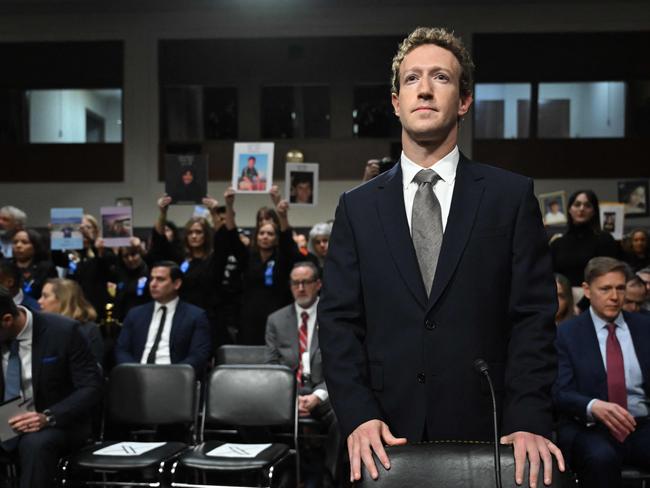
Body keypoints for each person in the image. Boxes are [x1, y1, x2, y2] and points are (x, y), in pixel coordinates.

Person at [318, 26, 563, 486]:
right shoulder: (357, 206)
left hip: (487, 433)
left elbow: (533, 316)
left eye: (441, 78)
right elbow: (338, 322)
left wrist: (528, 415)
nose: (425, 89)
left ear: (464, 101)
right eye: (411, 79)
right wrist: (357, 415)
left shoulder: (510, 196)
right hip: (382, 435)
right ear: (395, 102)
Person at [554, 257, 650, 488]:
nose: (615, 297)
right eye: (605, 289)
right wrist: (592, 406)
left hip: (641, 423)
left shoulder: (644, 327)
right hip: (590, 428)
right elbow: (559, 391)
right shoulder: (567, 334)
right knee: (600, 459)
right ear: (587, 290)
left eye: (620, 288)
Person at [0, 286, 103, 488]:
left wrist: (48, 417)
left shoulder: (63, 331)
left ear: (7, 320)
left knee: (35, 444)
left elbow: (91, 387)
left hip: (57, 421)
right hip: (6, 421)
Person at [217, 187, 303, 345]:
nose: (265, 237)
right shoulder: (247, 257)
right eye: (262, 233)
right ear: (256, 237)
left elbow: (286, 240)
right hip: (249, 319)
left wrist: (282, 215)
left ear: (276, 239)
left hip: (279, 317)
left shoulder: (282, 258)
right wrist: (229, 205)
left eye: (270, 234)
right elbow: (231, 234)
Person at [114, 261, 211, 372]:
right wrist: (135, 372)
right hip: (137, 377)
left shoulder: (195, 316)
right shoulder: (135, 314)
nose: (153, 284)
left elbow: (198, 355)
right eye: (152, 279)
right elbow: (121, 350)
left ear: (177, 284)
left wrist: (174, 374)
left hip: (175, 378)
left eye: (160, 279)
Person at [550, 190, 620, 287]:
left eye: (587, 205)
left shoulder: (604, 240)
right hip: (564, 297)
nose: (581, 209)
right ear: (569, 209)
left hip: (596, 296)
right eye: (577, 204)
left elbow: (610, 275)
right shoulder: (557, 243)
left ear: (594, 211)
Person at [38, 278, 104, 365]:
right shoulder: (40, 328)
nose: (39, 301)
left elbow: (92, 371)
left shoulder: (89, 330)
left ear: (63, 300)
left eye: (45, 296)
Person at [11, 229, 57, 301]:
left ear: (35, 246)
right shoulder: (6, 266)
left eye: (25, 242)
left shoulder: (46, 268)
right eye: (15, 242)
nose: (18, 245)